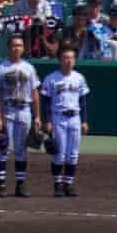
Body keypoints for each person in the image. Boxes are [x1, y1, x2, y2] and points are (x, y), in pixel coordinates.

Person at [0, 34, 42, 198]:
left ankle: (20, 184)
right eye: (14, 45)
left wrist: (37, 116)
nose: (17, 48)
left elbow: (35, 93)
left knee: (21, 150)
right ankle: (1, 184)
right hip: (8, 109)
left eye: (19, 45)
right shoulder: (1, 68)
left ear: (23, 48)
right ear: (8, 48)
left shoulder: (29, 68)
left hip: (24, 110)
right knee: (4, 148)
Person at [41, 46, 90, 197]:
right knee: (59, 153)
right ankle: (57, 185)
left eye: (71, 58)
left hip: (75, 117)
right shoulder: (51, 78)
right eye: (66, 58)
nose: (69, 61)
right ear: (60, 60)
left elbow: (83, 100)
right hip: (58, 117)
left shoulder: (79, 78)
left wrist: (84, 121)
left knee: (73, 154)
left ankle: (68, 184)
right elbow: (46, 101)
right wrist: (47, 121)